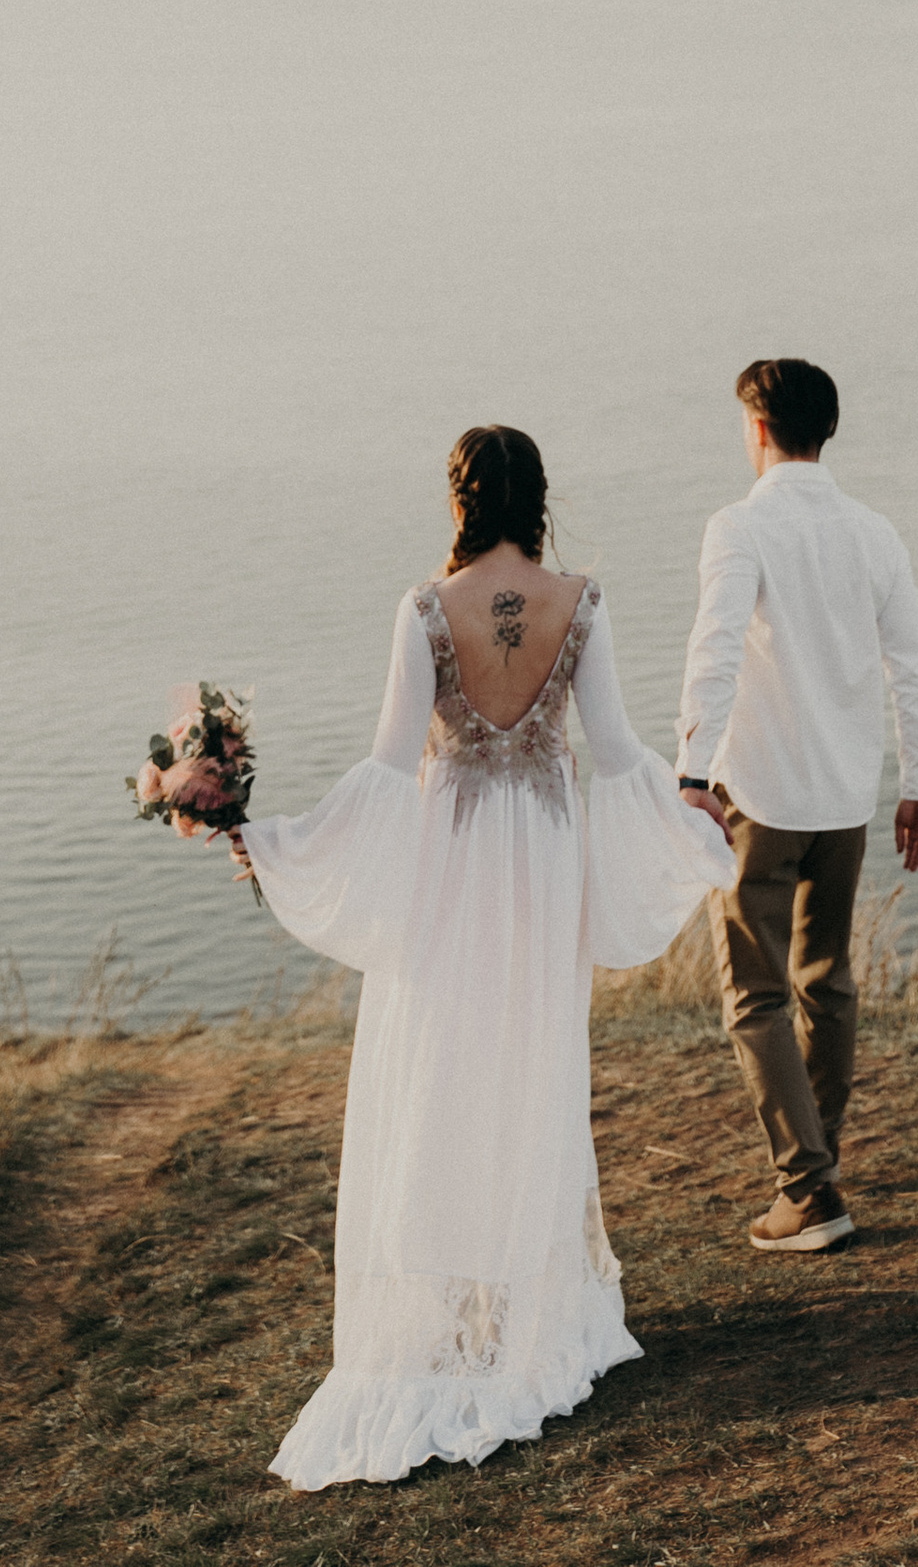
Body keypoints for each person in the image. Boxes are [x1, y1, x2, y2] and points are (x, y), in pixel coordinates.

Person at [228, 424, 733, 1489]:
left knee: (439, 1066)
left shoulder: (424, 608)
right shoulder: (580, 602)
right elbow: (618, 750)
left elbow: (382, 768)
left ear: (457, 498)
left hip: (451, 859)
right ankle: (520, 1299)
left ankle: (452, 1299)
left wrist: (271, 847)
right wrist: (693, 825)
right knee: (531, 1065)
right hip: (541, 857)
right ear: (536, 496)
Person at [676, 356, 918, 1253]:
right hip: (844, 796)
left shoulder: (738, 527)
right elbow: (914, 663)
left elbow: (713, 653)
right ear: (825, 430)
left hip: (759, 794)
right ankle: (819, 1156)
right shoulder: (876, 532)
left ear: (755, 429)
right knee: (827, 983)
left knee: (754, 996)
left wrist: (688, 773)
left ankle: (809, 1192)